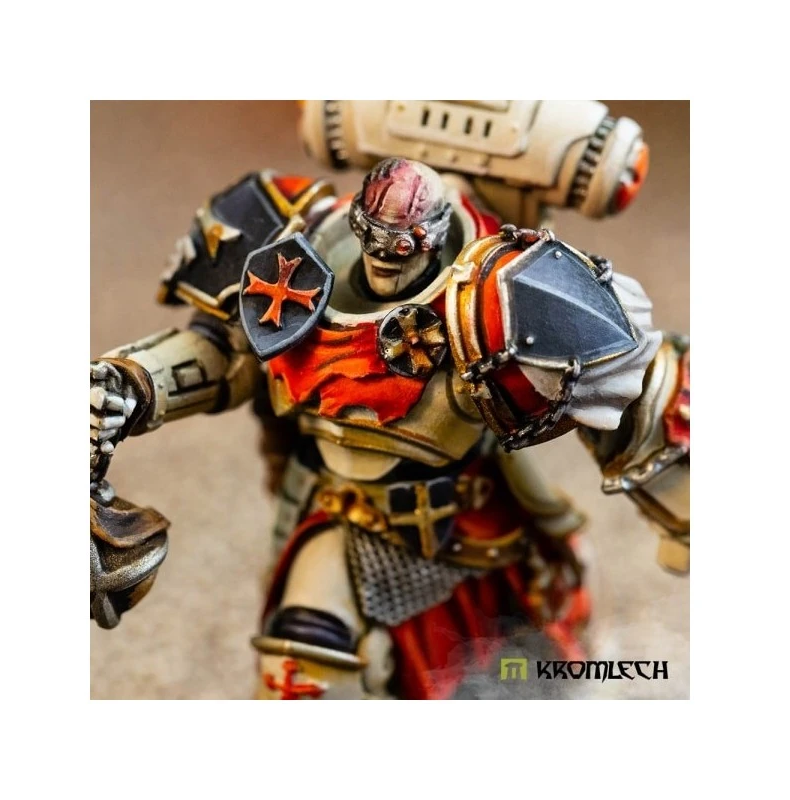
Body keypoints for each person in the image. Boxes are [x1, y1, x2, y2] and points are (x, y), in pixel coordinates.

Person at [91, 155, 688, 699]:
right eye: (373, 239)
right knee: (301, 673)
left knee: (515, 671)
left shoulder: (497, 295)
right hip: (345, 518)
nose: (384, 257)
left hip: (473, 529)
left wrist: (680, 502)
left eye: (402, 245)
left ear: (433, 238)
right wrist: (129, 385)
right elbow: (226, 351)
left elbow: (629, 377)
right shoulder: (287, 265)